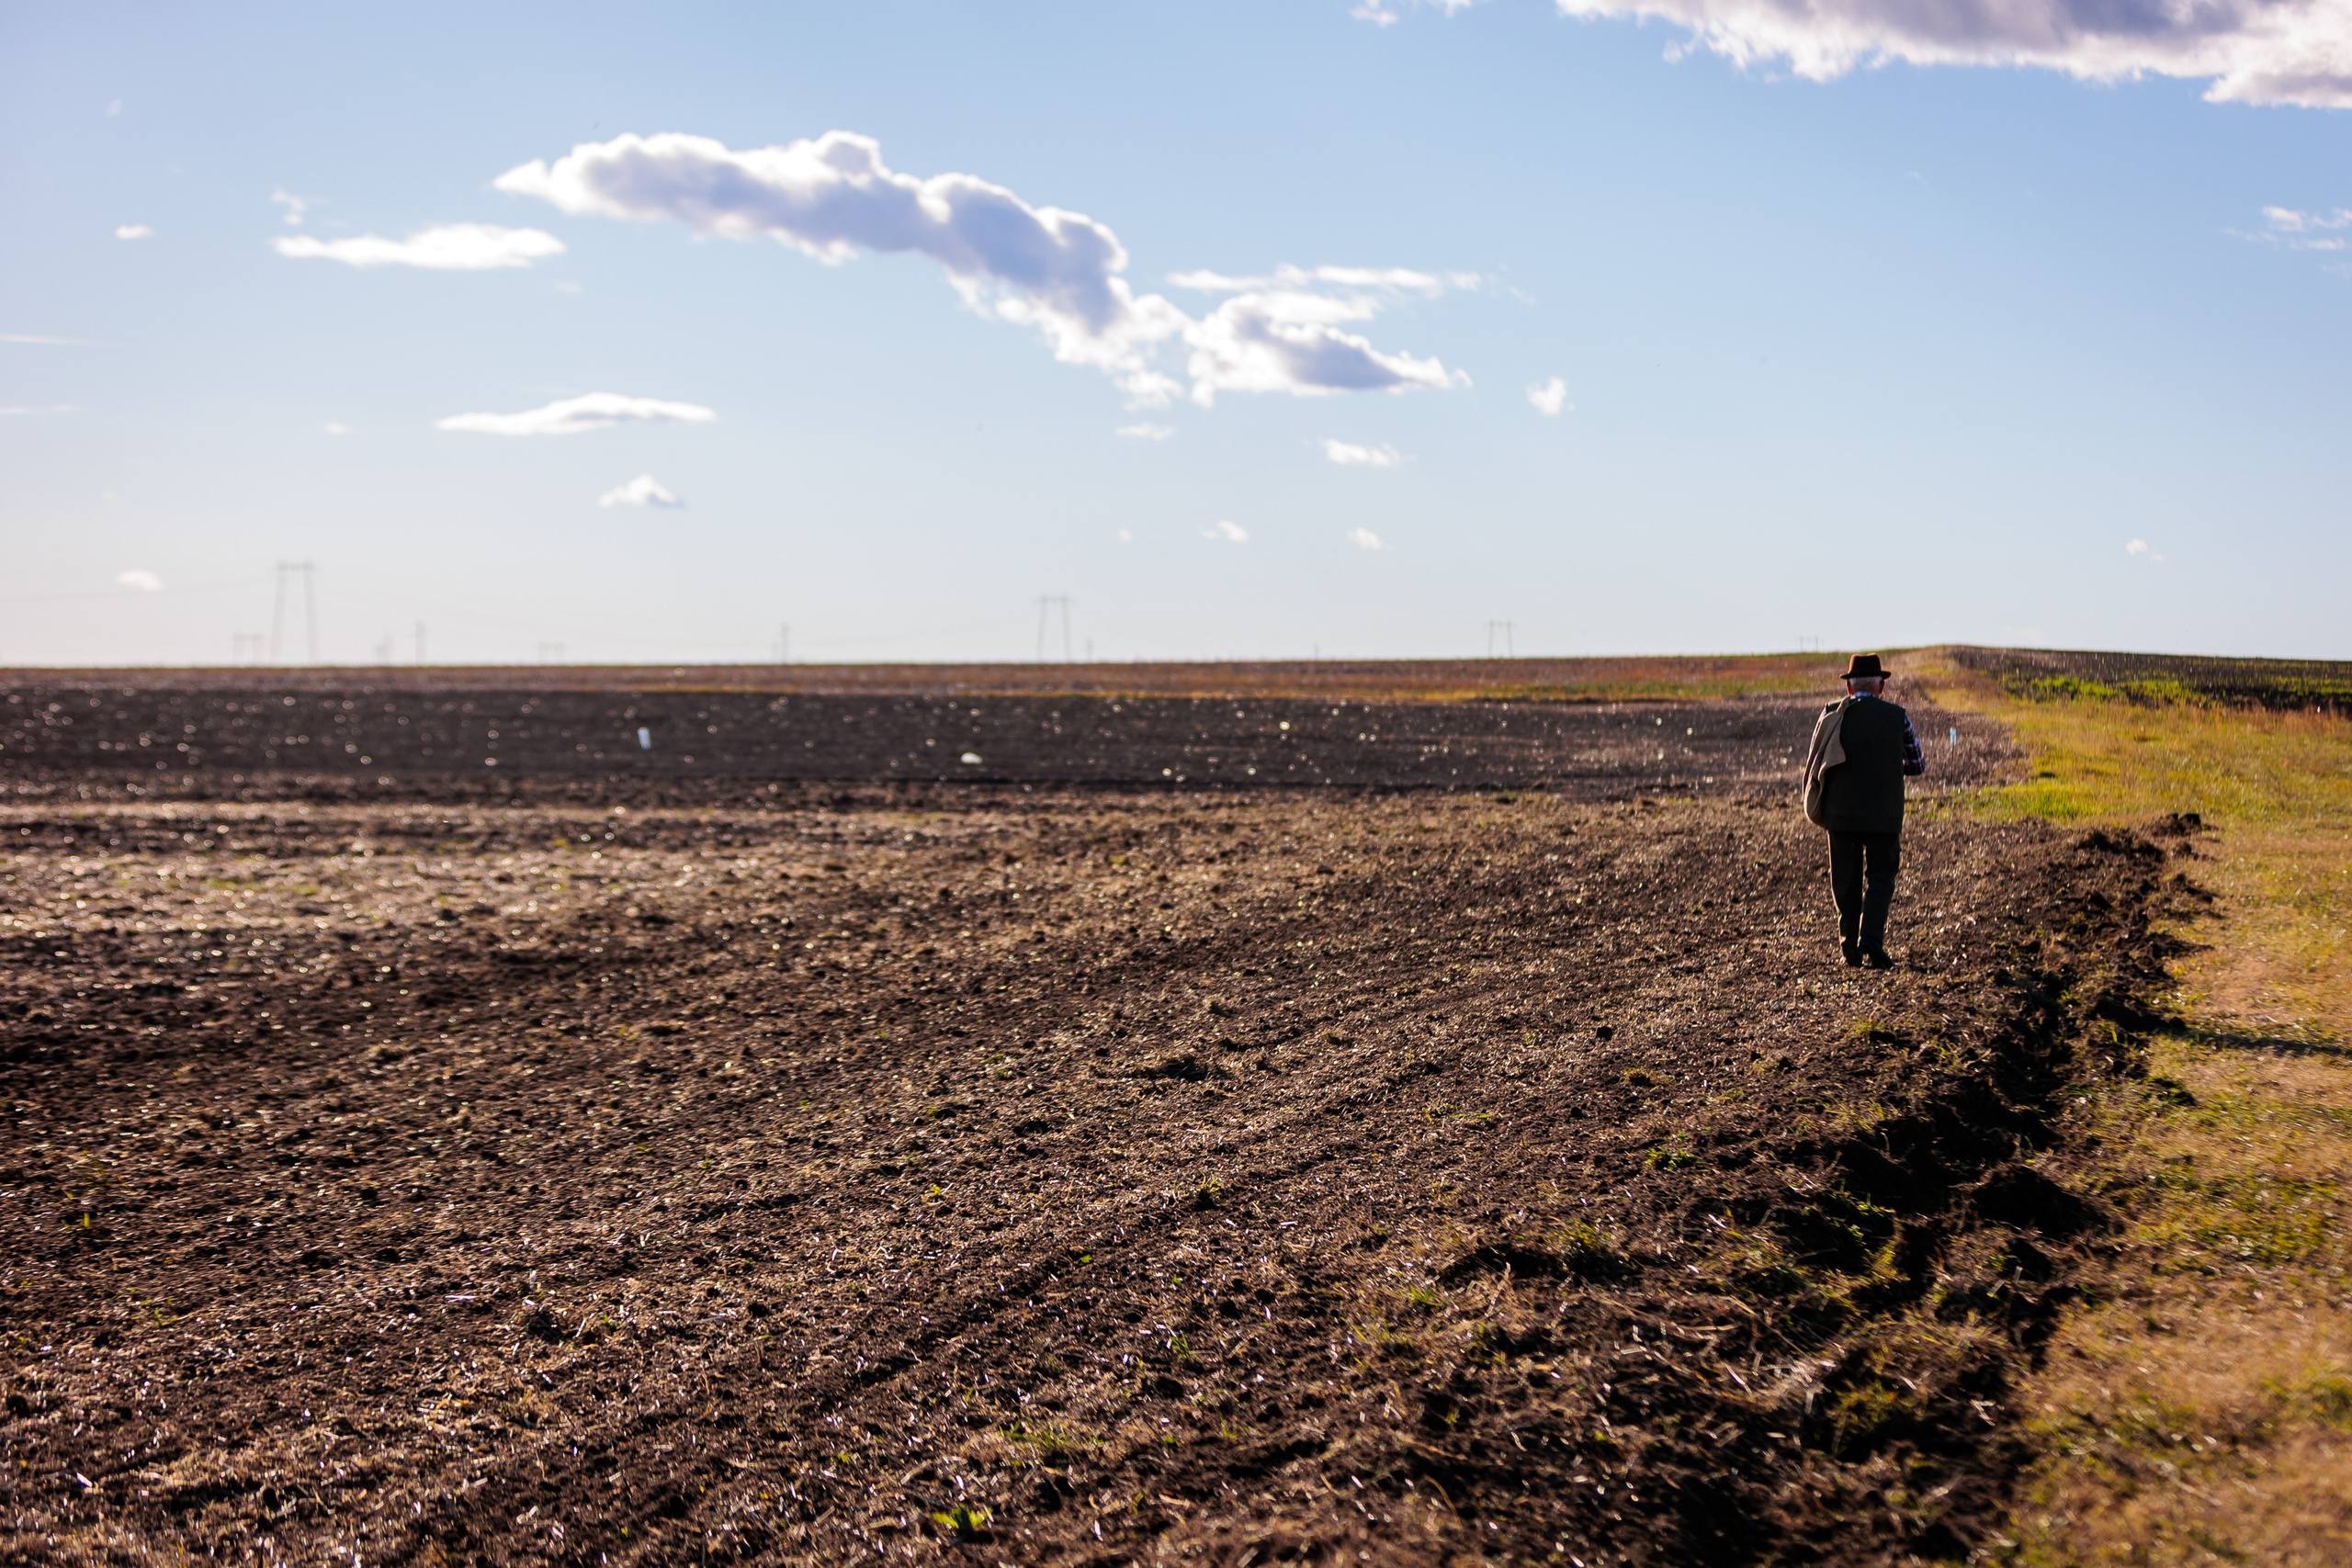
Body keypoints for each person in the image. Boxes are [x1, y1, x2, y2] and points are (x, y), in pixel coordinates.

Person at [1800, 653, 1926, 969]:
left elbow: (1816, 760)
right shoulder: (1898, 717)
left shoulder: (1831, 714)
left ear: (1849, 688)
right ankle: (1870, 939)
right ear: (1881, 686)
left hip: (1840, 813)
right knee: (1881, 876)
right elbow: (1917, 764)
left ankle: (1849, 949)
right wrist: (1889, 767)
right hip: (1884, 812)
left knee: (1845, 880)